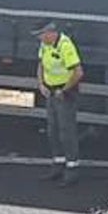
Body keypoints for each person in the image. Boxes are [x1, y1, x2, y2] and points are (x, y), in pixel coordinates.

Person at [36, 20, 83, 185]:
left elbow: (78, 73)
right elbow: (41, 64)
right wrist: (41, 84)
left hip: (64, 92)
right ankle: (58, 163)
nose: (39, 38)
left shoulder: (65, 45)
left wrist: (63, 90)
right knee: (53, 130)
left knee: (66, 131)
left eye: (41, 34)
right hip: (51, 91)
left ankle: (72, 168)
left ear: (50, 32)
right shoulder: (45, 45)